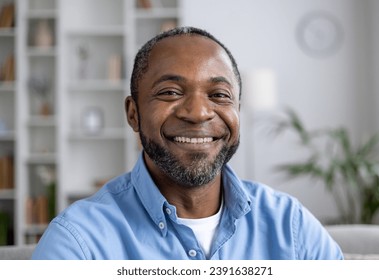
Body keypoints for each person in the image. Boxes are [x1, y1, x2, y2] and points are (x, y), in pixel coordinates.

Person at [32, 26, 343, 260]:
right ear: (133, 113)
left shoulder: (291, 226)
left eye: (219, 95)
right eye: (170, 92)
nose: (198, 113)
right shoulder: (78, 241)